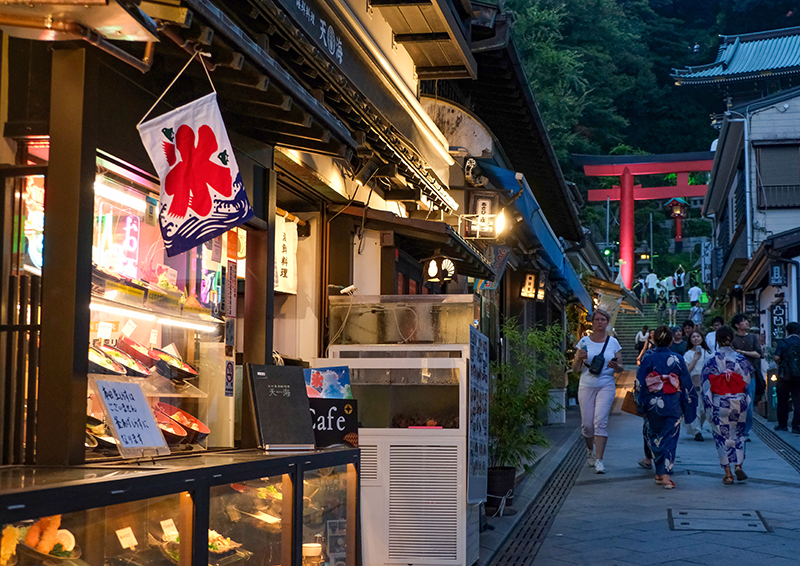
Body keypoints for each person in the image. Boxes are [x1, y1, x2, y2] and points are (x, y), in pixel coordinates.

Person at [635, 326, 697, 489]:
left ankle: (659, 472)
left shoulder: (648, 357)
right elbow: (686, 383)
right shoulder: (677, 358)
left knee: (655, 435)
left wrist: (640, 404)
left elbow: (640, 383)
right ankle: (666, 476)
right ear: (670, 341)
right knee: (670, 437)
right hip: (673, 402)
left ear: (654, 340)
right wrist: (689, 403)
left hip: (653, 401)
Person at [572, 309, 624, 474]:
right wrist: (579, 358)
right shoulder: (584, 342)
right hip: (586, 384)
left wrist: (616, 366)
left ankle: (600, 460)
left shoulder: (613, 343)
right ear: (592, 322)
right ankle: (589, 450)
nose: (600, 322)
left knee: (600, 422)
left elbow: (621, 367)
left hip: (606, 384)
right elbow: (575, 369)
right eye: (597, 320)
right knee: (587, 425)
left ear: (607, 322)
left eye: (603, 319)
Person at [701, 326, 753, 485]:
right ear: (732, 339)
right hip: (738, 401)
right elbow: (747, 381)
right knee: (738, 434)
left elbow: (706, 385)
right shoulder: (741, 359)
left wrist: (707, 407)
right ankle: (738, 464)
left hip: (720, 401)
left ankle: (728, 473)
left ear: (717, 340)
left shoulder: (710, 359)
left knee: (721, 436)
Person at [731, 314, 763, 439]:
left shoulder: (753, 337)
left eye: (746, 321)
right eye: (743, 321)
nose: (746, 323)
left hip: (750, 375)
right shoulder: (733, 339)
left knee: (749, 405)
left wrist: (742, 352)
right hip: (735, 376)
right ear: (737, 325)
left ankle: (745, 431)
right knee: (735, 405)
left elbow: (758, 354)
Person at [683, 330, 713, 441]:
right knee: (695, 409)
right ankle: (697, 432)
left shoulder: (708, 353)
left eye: (698, 336)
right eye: (693, 337)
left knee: (705, 410)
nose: (696, 339)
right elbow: (687, 371)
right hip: (693, 386)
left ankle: (698, 427)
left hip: (706, 386)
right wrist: (695, 359)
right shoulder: (688, 355)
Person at [773, 321, 800, 433]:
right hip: (799, 376)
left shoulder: (783, 342)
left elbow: (776, 357)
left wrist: (781, 365)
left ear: (787, 331)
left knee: (782, 400)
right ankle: (796, 425)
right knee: (798, 400)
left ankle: (783, 424)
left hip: (784, 375)